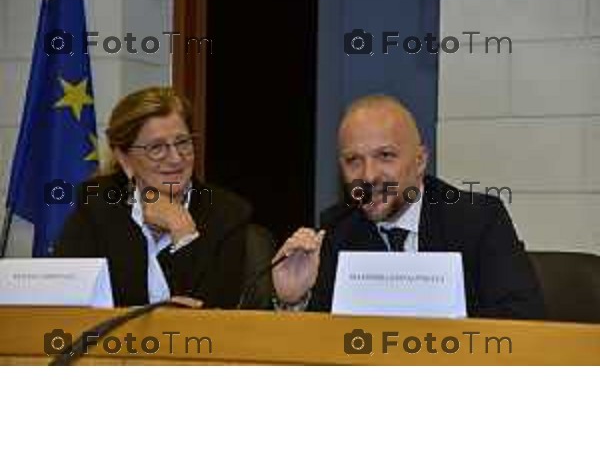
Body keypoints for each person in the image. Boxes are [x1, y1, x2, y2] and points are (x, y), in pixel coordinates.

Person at [272, 94, 545, 319]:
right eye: (353, 160)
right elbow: (315, 347)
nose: (368, 176)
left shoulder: (478, 219)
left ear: (420, 161)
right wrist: (293, 302)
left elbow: (524, 320)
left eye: (385, 155)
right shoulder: (337, 230)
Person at [54, 86, 252, 308]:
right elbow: (68, 299)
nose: (176, 158)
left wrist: (183, 233)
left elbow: (218, 312)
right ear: (124, 159)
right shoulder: (97, 204)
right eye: (157, 148)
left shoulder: (227, 214)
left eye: (183, 143)